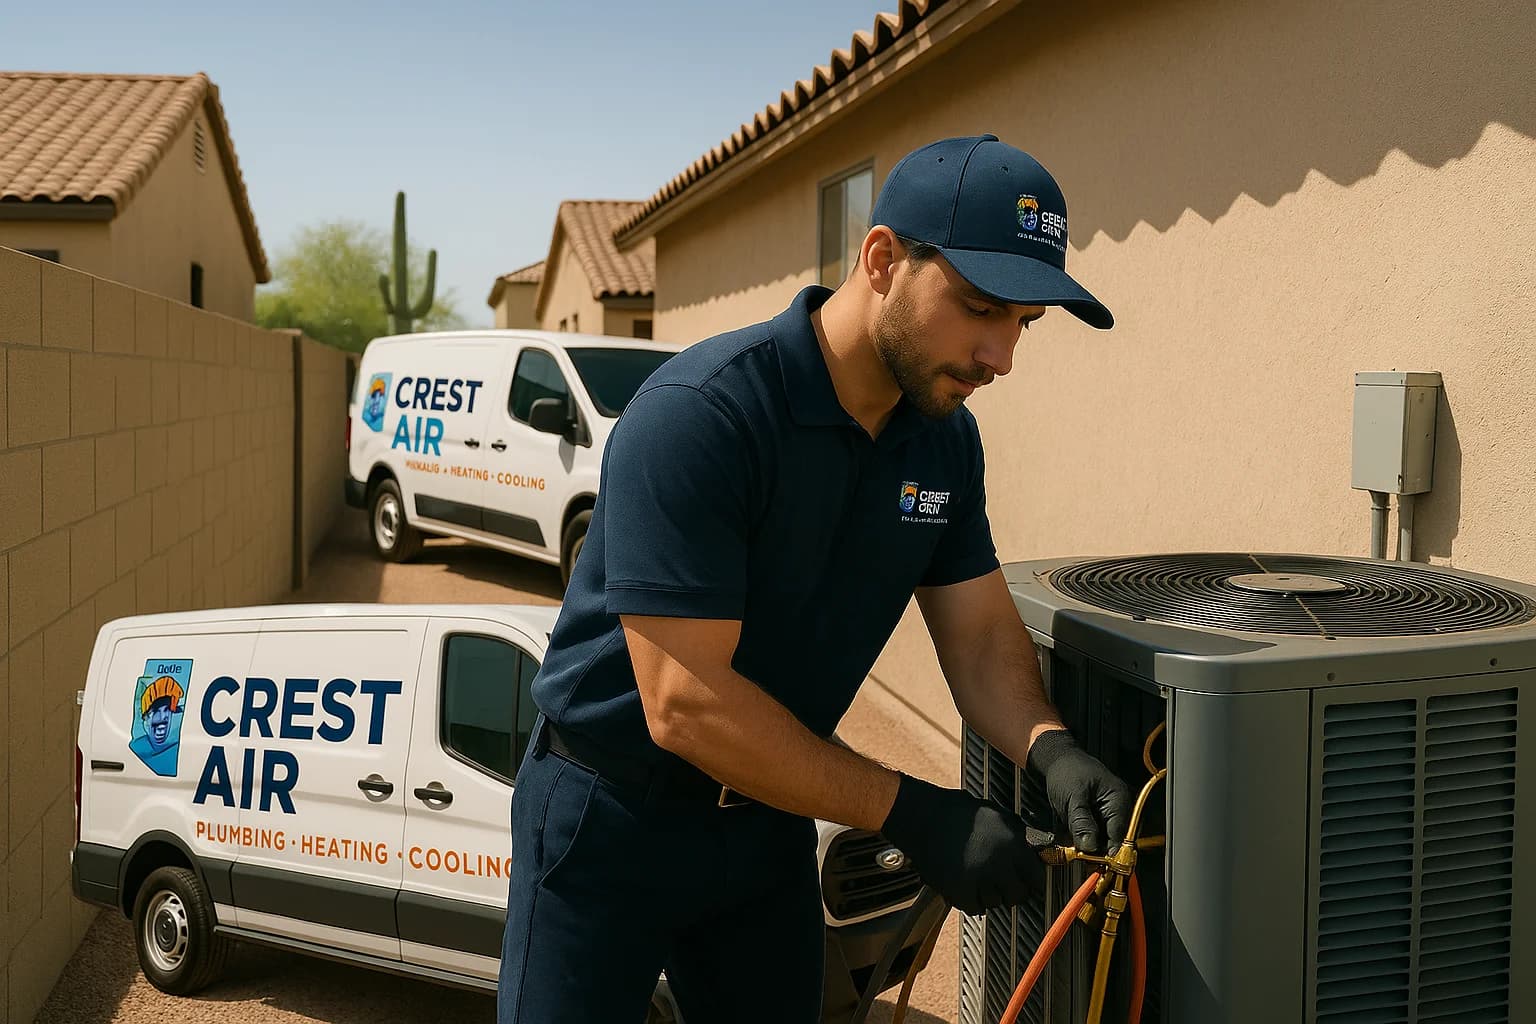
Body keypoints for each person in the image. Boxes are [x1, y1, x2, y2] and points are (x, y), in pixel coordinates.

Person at [497, 134, 1133, 1023]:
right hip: (609, 818)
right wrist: (916, 814)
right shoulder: (703, 416)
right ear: (882, 259)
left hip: (765, 823)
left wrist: (1053, 749)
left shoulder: (943, 441)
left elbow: (983, 638)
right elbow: (683, 699)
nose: (1002, 357)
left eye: (1023, 325)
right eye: (981, 307)